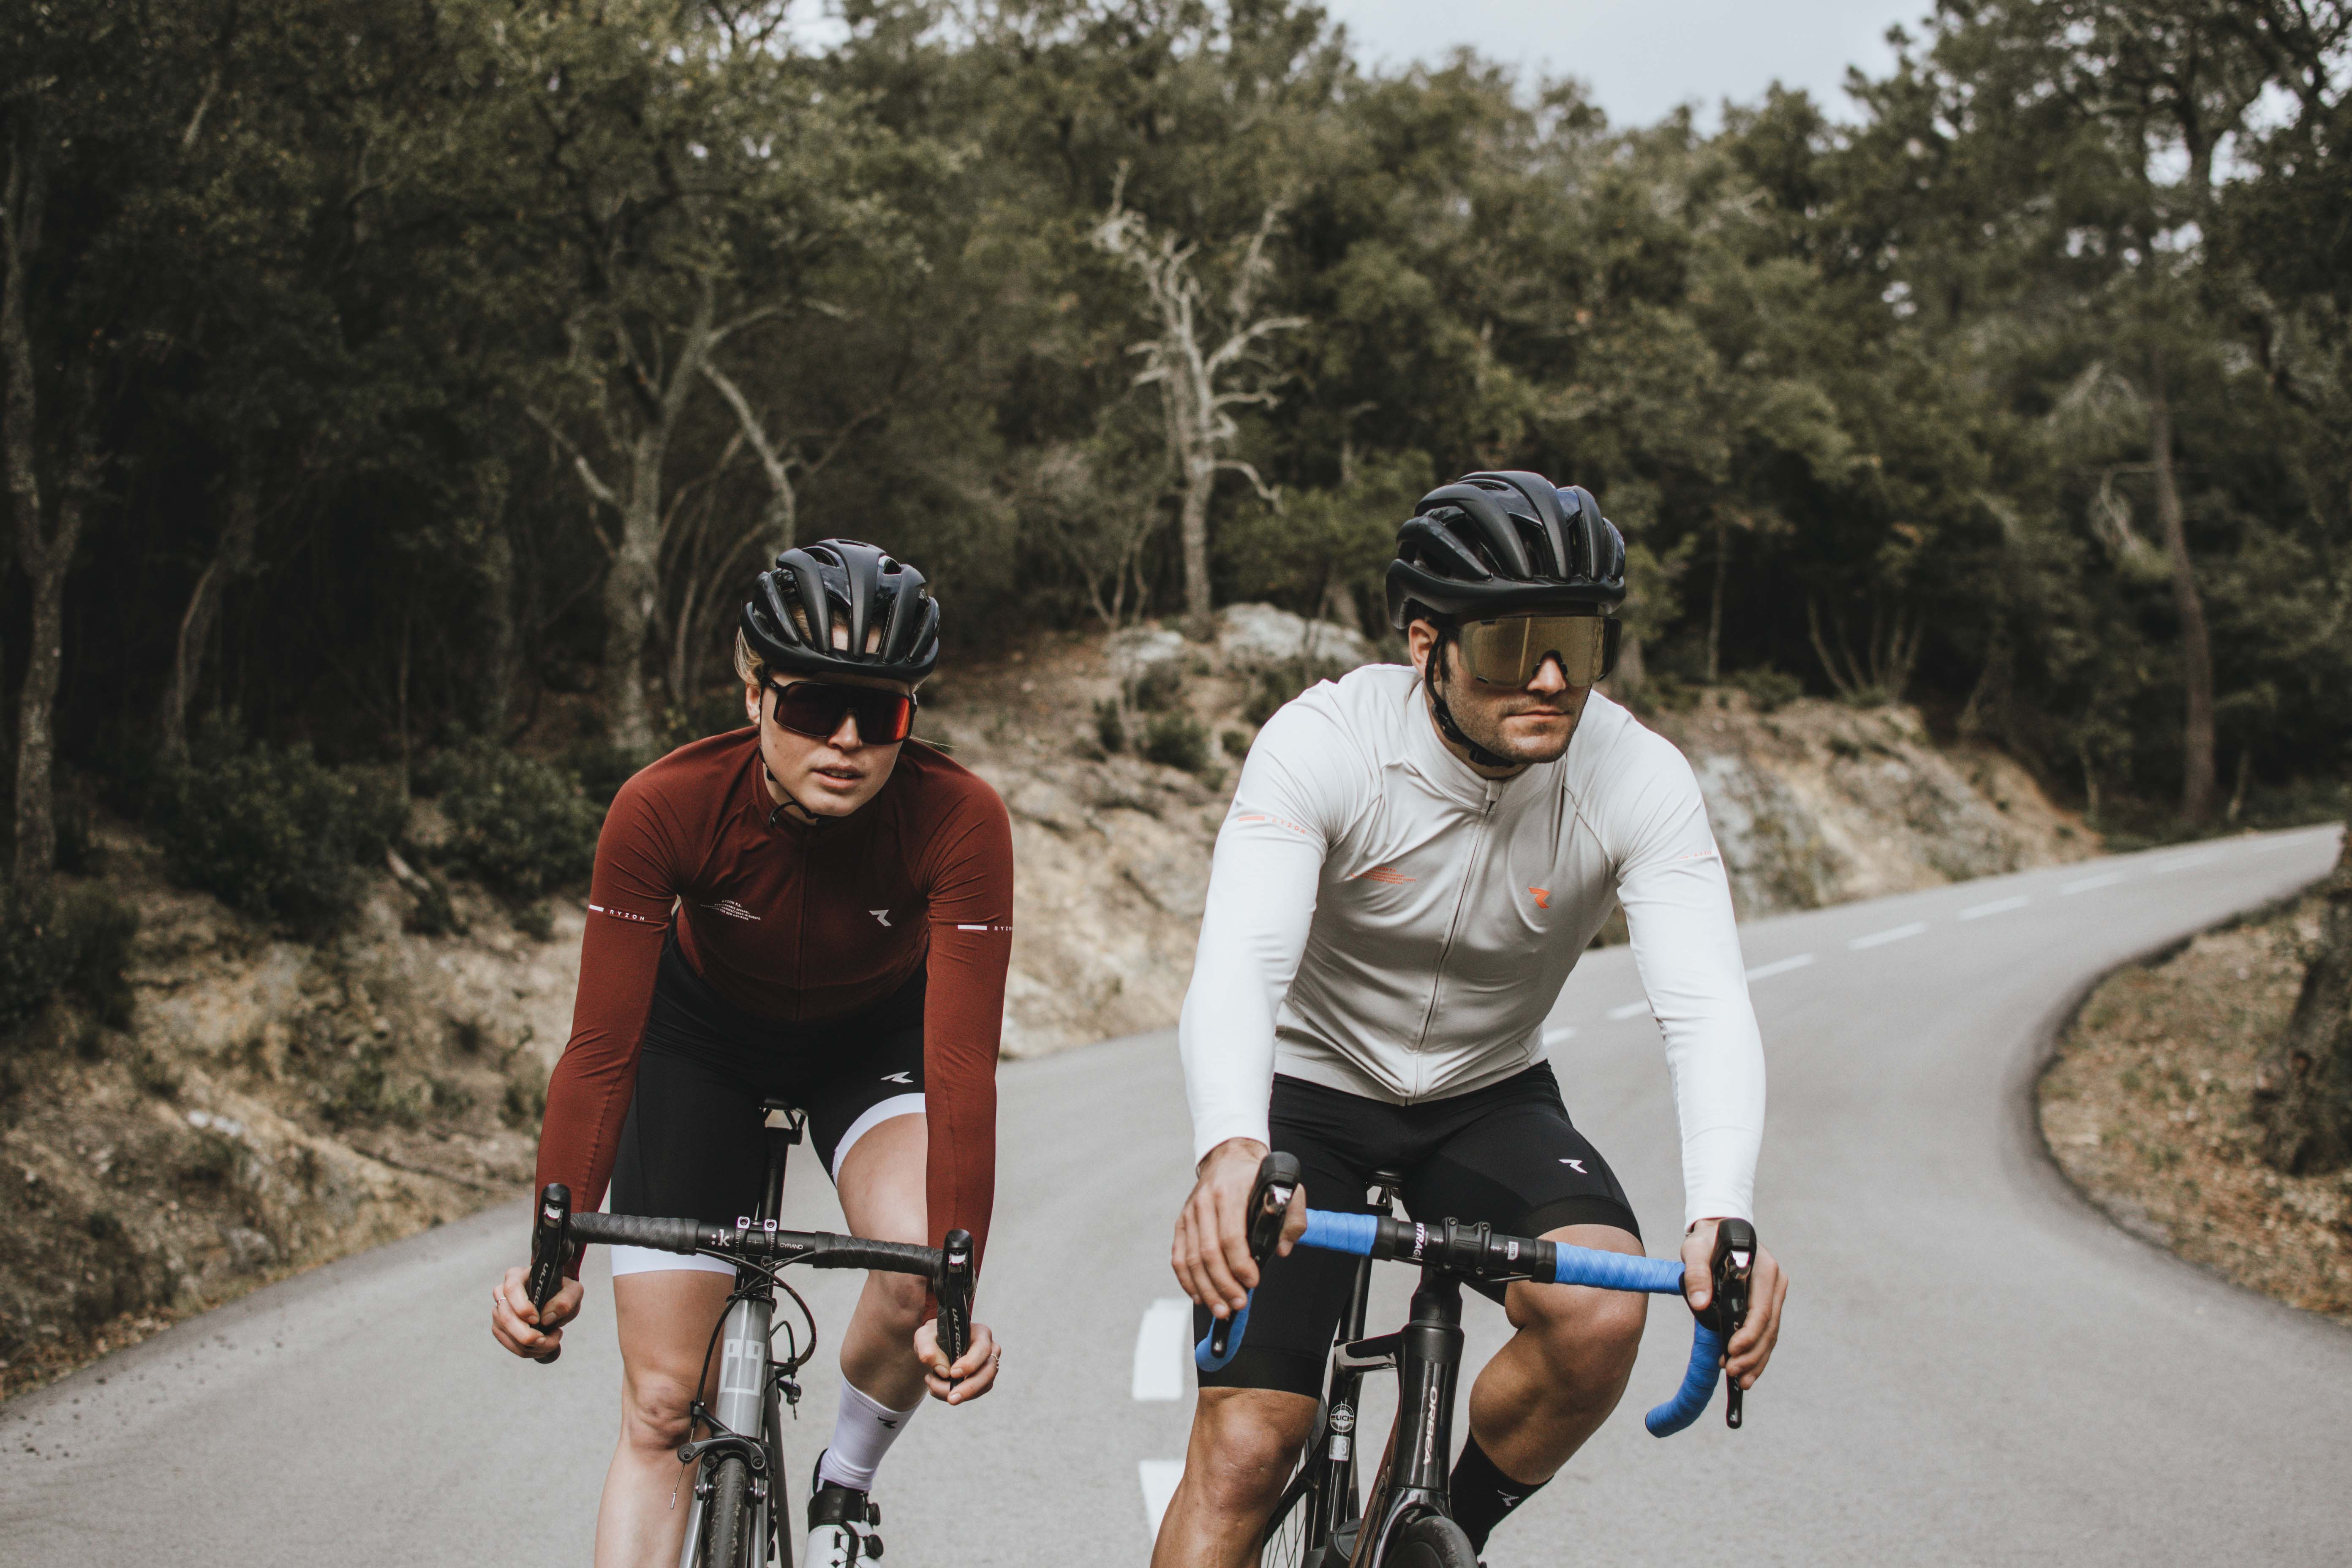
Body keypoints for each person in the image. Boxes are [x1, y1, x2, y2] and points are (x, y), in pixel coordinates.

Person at [1158, 473, 1789, 1565]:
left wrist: (1722, 1213)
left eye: (1578, 647)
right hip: (1311, 1088)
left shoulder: (1636, 774)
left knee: (1599, 1314)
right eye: (1511, 645)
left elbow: (1706, 1005)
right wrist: (1229, 1146)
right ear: (1426, 644)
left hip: (1487, 1094)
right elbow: (1240, 966)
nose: (1549, 679)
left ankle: (1419, 1540)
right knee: (1249, 1449)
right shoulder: (1328, 742)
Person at [488, 539, 1013, 1568]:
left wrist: (956, 1293)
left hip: (873, 1043)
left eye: (886, 711)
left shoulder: (961, 818)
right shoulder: (665, 804)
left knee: (909, 1273)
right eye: (817, 704)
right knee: (657, 1405)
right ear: (755, 692)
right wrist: (554, 1259)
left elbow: (960, 1076)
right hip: (701, 1042)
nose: (850, 739)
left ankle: (846, 1482)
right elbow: (600, 1049)